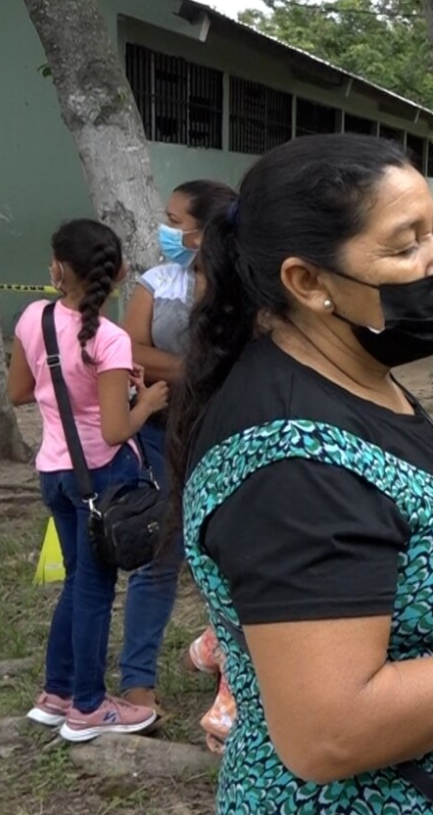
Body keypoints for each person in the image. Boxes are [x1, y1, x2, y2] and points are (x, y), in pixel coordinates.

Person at [167, 133, 433, 815]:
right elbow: (329, 732)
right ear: (307, 282)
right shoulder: (291, 463)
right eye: (405, 246)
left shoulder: (358, 377)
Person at [11, 219, 170, 741]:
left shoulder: (33, 316)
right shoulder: (110, 337)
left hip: (54, 472)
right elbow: (116, 427)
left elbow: (17, 393)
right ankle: (88, 706)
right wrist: (145, 402)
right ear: (120, 272)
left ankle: (57, 693)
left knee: (77, 586)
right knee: (95, 593)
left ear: (57, 269)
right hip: (103, 477)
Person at [119, 178, 237, 713]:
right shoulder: (156, 281)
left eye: (176, 220)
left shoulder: (241, 287)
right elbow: (131, 349)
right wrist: (200, 370)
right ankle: (138, 681)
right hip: (159, 433)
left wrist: (183, 372)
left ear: (205, 231)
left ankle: (231, 676)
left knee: (237, 557)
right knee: (158, 558)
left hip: (226, 432)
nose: (167, 229)